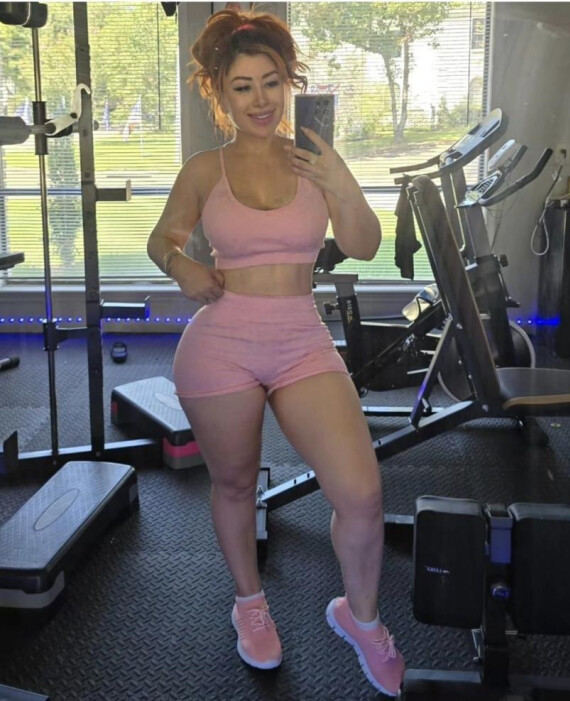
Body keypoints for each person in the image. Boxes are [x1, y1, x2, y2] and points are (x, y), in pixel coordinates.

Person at [147, 9, 405, 697]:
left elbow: (364, 245)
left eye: (271, 82)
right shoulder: (204, 169)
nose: (260, 99)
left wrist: (341, 176)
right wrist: (183, 267)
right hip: (220, 345)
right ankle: (250, 603)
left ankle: (361, 617)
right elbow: (160, 240)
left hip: (301, 339)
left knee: (362, 492)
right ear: (219, 93)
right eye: (242, 87)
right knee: (235, 484)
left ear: (289, 83)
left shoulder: (312, 161)